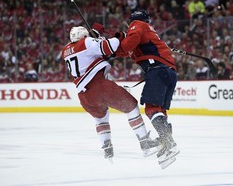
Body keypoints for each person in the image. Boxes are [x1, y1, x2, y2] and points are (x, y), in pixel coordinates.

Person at [61, 26, 160, 162]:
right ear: (84, 36)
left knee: (100, 118)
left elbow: (92, 54)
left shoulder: (65, 50)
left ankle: (107, 148)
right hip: (99, 86)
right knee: (131, 107)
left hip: (84, 96)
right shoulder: (87, 42)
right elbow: (111, 45)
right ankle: (145, 142)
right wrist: (108, 38)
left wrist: (96, 38)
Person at [114, 9, 180, 168]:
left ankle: (169, 142)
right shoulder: (148, 31)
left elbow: (125, 47)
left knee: (151, 109)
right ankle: (166, 143)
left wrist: (111, 44)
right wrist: (120, 39)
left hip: (158, 70)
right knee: (160, 110)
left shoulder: (138, 25)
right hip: (169, 73)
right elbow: (130, 51)